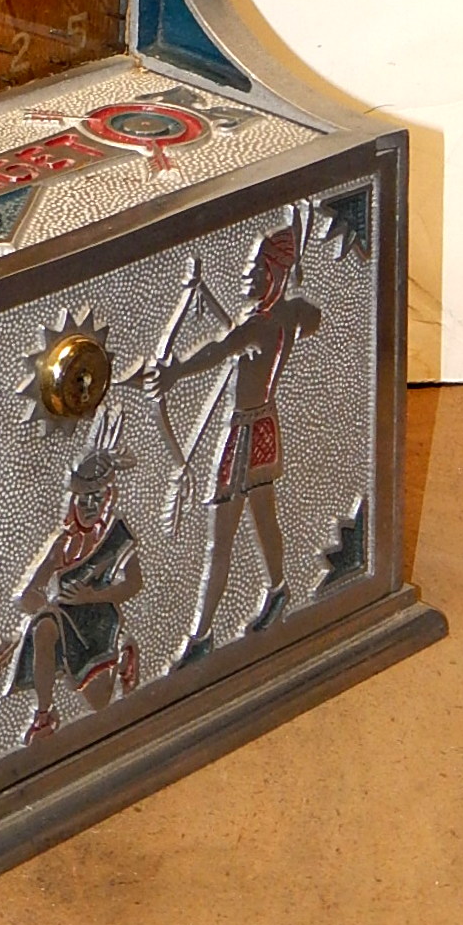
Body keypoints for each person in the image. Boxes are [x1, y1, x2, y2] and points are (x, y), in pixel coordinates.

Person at [148, 224, 321, 667]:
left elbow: (217, 348)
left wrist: (173, 372)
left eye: (257, 268)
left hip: (244, 435)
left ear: (275, 274)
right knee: (264, 519)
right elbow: (306, 317)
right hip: (265, 427)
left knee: (220, 540)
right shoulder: (286, 317)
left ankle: (201, 635)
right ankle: (278, 590)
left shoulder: (259, 324)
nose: (247, 274)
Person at [0, 412, 142, 740]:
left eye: (97, 497)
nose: (89, 506)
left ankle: (123, 652)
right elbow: (29, 593)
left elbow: (134, 583)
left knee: (99, 702)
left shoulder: (116, 536)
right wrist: (43, 604)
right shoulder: (63, 544)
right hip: (65, 619)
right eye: (84, 498)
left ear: (108, 497)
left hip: (99, 621)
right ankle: (44, 714)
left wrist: (93, 596)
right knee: (43, 628)